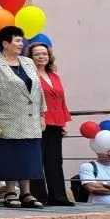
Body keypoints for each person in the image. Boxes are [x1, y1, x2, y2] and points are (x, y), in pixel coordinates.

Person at [0, 26, 46, 208]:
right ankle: (10, 191)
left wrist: (42, 114)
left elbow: (38, 90)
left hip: (29, 118)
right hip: (6, 117)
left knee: (27, 155)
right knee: (9, 155)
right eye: (17, 40)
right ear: (5, 43)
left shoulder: (28, 62)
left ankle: (26, 193)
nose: (21, 44)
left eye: (22, 40)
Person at [27, 43, 74, 206]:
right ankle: (39, 196)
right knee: (37, 159)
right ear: (30, 58)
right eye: (37, 54)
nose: (42, 57)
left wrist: (63, 122)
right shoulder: (29, 75)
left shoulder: (54, 76)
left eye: (44, 54)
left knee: (54, 161)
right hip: (37, 122)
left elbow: (61, 100)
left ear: (49, 56)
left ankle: (58, 197)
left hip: (55, 122)